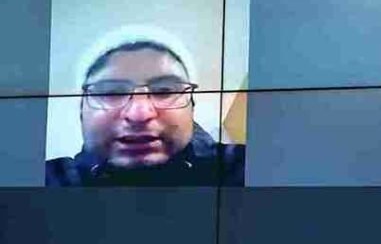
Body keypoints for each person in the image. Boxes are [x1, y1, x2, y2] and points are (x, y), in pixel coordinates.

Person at [46, 40, 245, 186]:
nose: (139, 115)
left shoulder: (240, 166)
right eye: (112, 92)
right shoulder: (52, 179)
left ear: (191, 106)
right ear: (82, 111)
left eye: (164, 91)